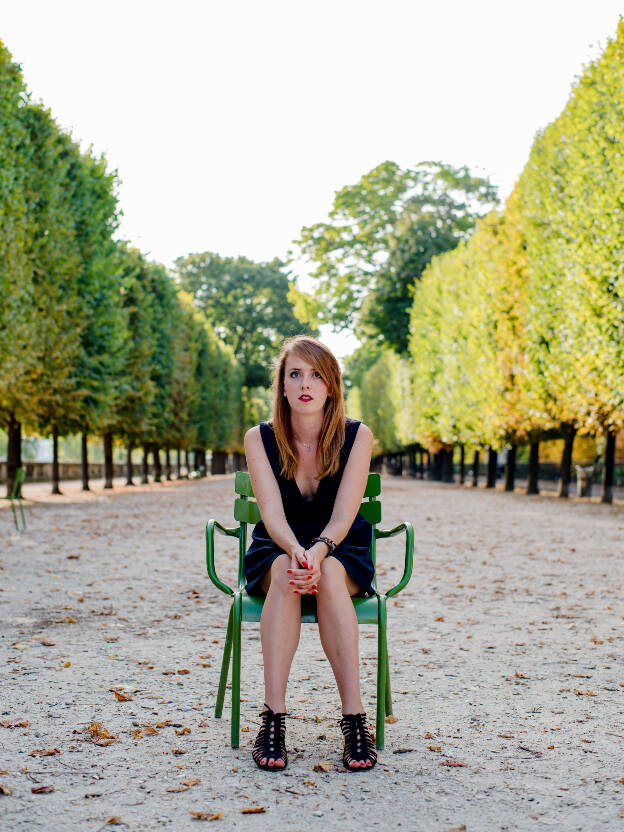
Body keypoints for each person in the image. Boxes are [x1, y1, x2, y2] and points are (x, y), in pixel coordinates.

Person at [244, 335, 377, 772]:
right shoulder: (259, 438)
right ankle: (273, 719)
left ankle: (355, 719)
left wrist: (318, 552)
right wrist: (298, 551)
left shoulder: (357, 436)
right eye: (295, 374)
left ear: (332, 385)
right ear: (282, 386)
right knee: (285, 571)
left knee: (333, 575)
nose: (305, 383)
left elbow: (343, 516)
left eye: (316, 374)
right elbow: (271, 515)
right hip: (279, 546)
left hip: (341, 547)